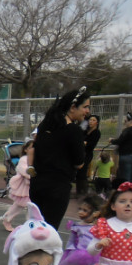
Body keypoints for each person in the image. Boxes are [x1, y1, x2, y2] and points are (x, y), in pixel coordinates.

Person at [28, 87, 90, 230]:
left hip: (37, 185)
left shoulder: (45, 125)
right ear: (73, 107)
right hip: (57, 188)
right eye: (85, 107)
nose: (87, 111)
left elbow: (36, 148)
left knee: (35, 229)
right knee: (48, 231)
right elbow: (79, 163)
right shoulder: (73, 131)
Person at [58, 195, 102, 265]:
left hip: (93, 256)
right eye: (80, 209)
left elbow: (101, 242)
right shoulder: (76, 226)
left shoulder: (98, 227)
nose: (81, 212)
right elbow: (71, 240)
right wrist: (70, 251)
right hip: (78, 255)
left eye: (85, 210)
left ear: (96, 213)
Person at [0, 139, 34, 231]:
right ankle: (7, 219)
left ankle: (31, 225)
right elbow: (25, 172)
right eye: (31, 148)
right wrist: (34, 175)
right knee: (18, 206)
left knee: (32, 207)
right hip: (23, 188)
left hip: (32, 187)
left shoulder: (36, 159)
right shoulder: (23, 159)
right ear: (26, 150)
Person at [110, 111, 132, 183]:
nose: (125, 122)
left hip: (127, 155)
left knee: (125, 178)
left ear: (130, 120)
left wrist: (112, 140)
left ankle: (125, 192)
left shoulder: (128, 130)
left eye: (126, 120)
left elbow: (120, 141)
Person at [75, 114, 101, 195]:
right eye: (90, 120)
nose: (91, 122)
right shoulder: (85, 131)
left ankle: (83, 191)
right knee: (78, 172)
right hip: (81, 152)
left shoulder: (96, 132)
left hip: (87, 154)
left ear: (97, 123)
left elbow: (91, 144)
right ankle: (79, 190)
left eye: (93, 120)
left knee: (82, 171)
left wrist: (85, 143)